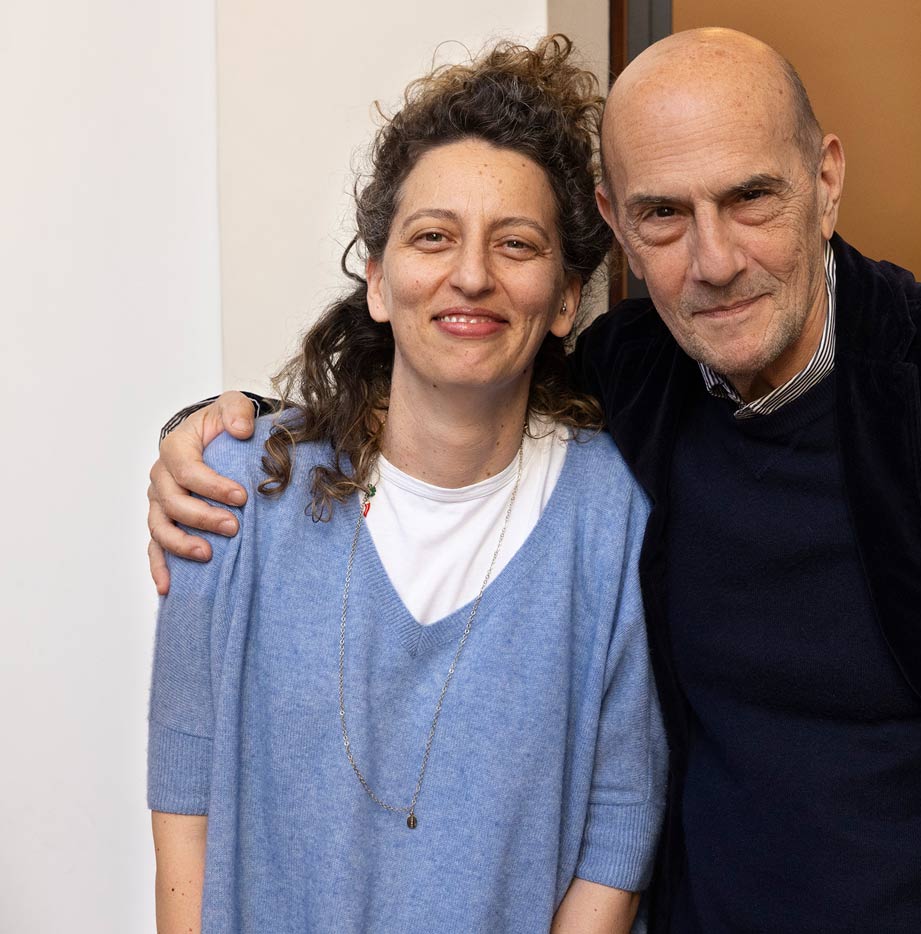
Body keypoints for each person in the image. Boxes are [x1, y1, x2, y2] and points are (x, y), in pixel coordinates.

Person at [147, 29, 921, 934]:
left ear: (825, 178)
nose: (715, 260)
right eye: (663, 216)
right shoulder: (632, 378)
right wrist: (221, 435)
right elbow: (458, 352)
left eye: (750, 198)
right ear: (614, 227)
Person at [145, 36, 665, 934]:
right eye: (433, 237)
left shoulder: (614, 519)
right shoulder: (233, 491)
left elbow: (616, 840)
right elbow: (184, 801)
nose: (472, 275)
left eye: (516, 243)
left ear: (566, 297)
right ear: (379, 281)